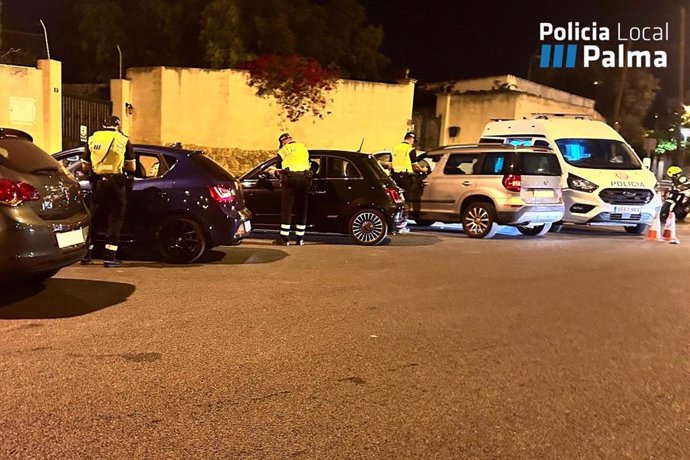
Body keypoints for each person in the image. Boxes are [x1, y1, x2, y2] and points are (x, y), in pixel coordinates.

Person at [80, 115, 136, 267]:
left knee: (94, 218)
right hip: (116, 184)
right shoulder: (123, 140)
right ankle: (109, 257)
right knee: (115, 219)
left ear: (104, 125)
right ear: (117, 126)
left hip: (98, 183)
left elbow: (84, 166)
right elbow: (132, 167)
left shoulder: (92, 139)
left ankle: (86, 254)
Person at [272, 132, 312, 246]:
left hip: (290, 179)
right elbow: (308, 162)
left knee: (287, 208)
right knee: (302, 208)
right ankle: (300, 239)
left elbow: (278, 168)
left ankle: (284, 239)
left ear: (283, 141)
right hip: (305, 179)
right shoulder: (303, 147)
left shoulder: (284, 150)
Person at [391, 131, 426, 213]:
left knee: (396, 198)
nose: (413, 143)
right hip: (405, 178)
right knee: (407, 198)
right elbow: (416, 166)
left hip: (395, 176)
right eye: (413, 140)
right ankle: (405, 216)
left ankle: (396, 215)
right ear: (411, 139)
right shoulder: (410, 149)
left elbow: (390, 165)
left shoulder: (396, 148)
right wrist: (424, 169)